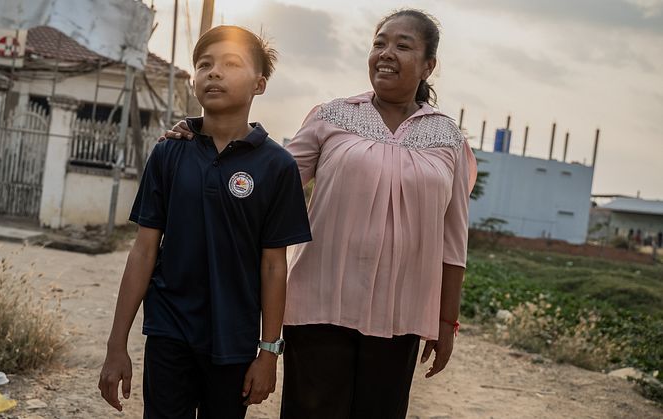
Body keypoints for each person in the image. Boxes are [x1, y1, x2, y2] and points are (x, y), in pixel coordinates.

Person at [164, 9, 476, 419]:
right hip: (319, 306)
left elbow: (453, 242)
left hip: (400, 316)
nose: (386, 53)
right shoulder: (333, 116)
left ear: (428, 65)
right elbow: (269, 177)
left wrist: (446, 321)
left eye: (402, 46)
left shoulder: (448, 138)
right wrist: (206, 137)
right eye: (379, 43)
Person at [99, 25, 312, 419]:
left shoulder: (276, 166)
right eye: (204, 64)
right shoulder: (169, 153)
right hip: (168, 330)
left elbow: (273, 265)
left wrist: (269, 351)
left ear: (259, 84)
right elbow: (144, 250)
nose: (214, 72)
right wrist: (117, 344)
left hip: (233, 339)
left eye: (231, 64)